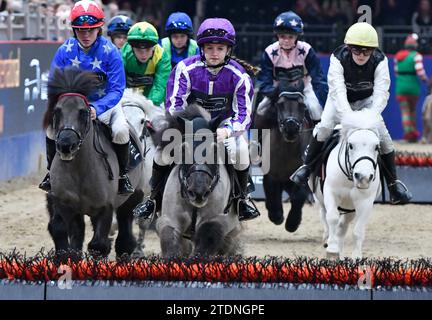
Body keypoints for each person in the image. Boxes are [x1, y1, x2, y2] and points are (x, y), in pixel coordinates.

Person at [133, 18, 260, 221]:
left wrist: (228, 131)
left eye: (220, 48)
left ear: (229, 50)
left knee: (241, 150)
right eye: (209, 48)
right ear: (201, 48)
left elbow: (244, 115)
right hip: (188, 126)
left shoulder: (240, 76)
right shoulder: (184, 69)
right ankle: (152, 199)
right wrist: (188, 128)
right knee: (162, 153)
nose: (214, 53)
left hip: (224, 128)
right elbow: (174, 106)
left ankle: (242, 200)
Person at [290, 22, 412, 205]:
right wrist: (349, 118)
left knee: (385, 139)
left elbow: (381, 94)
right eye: (357, 50)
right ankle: (307, 167)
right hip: (340, 101)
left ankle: (394, 184)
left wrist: (369, 118)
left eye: (366, 51)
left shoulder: (380, 60)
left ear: (373, 50)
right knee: (324, 128)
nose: (362, 55)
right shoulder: (337, 58)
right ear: (349, 47)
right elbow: (338, 92)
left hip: (368, 102)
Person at [39, 0, 134, 195]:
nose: (86, 34)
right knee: (50, 129)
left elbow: (117, 89)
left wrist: (97, 109)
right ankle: (50, 173)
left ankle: (123, 177)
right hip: (73, 109)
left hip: (105, 105)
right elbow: (54, 85)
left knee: (122, 131)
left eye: (91, 29)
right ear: (74, 30)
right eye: (80, 30)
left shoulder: (111, 52)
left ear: (99, 29)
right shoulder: (64, 51)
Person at [255, 11, 328, 124]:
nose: (286, 40)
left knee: (316, 110)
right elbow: (265, 81)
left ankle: (320, 141)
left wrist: (325, 101)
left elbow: (318, 78)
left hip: (304, 87)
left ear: (297, 37)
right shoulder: (269, 52)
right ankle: (255, 140)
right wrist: (272, 92)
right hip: (277, 89)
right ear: (277, 36)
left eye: (291, 36)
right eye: (282, 36)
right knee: (261, 108)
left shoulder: (307, 50)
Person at [121, 21, 171, 106]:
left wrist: (149, 104)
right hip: (125, 100)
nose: (143, 54)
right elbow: (118, 85)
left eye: (148, 49)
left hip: (152, 102)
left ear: (154, 46)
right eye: (138, 50)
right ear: (131, 47)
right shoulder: (122, 55)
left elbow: (160, 87)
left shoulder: (162, 57)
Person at [394, 33, 428, 143]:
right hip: (413, 87)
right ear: (415, 45)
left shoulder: (397, 56)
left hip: (401, 87)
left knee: (405, 112)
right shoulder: (416, 56)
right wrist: (426, 80)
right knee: (412, 111)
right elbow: (420, 72)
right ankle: (412, 135)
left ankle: (409, 134)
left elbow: (396, 73)